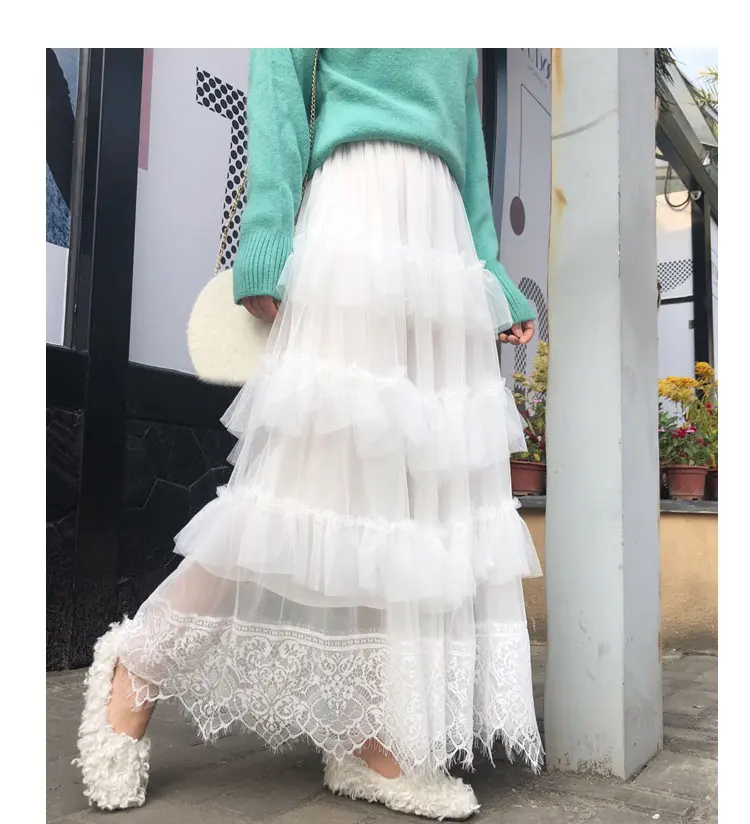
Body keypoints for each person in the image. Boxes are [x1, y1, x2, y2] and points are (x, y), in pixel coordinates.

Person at [75, 48, 543, 821]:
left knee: (405, 497)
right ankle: (140, 660)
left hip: (441, 241)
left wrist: (488, 271)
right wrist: (266, 234)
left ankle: (370, 736)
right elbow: (281, 76)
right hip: (356, 214)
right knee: (299, 485)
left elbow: (467, 140)